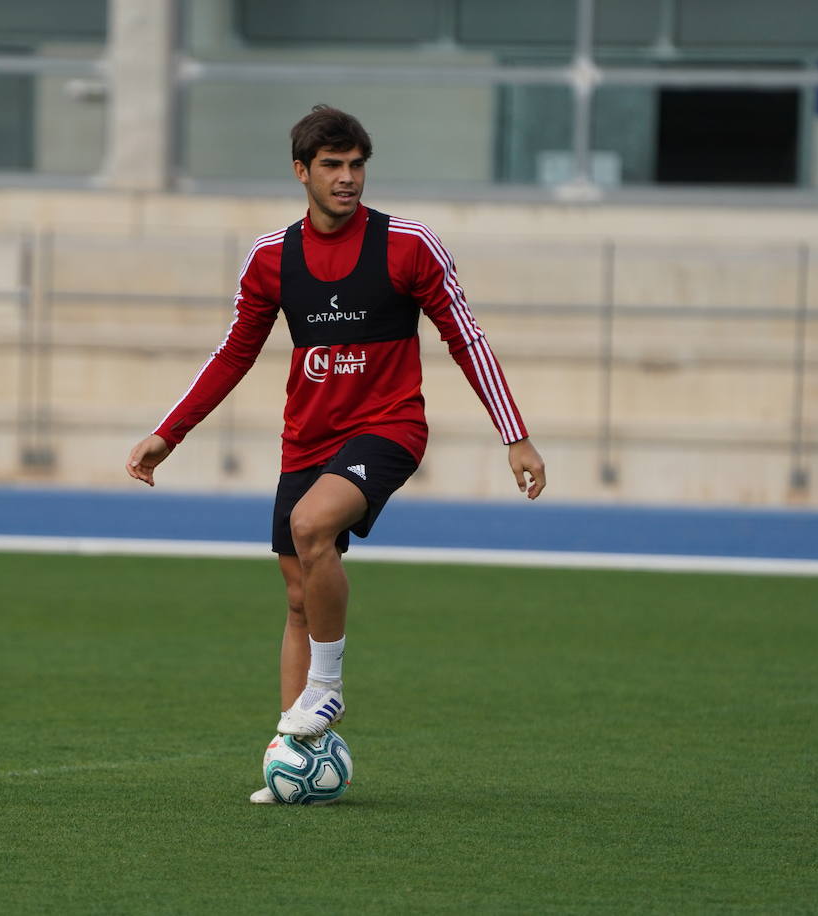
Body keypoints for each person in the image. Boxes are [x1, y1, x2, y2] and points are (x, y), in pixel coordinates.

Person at [125, 105, 546, 804]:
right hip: (307, 438)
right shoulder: (270, 257)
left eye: (356, 166)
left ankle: (326, 691)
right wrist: (170, 432)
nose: (347, 179)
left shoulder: (409, 246)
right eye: (332, 166)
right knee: (297, 599)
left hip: (389, 427)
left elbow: (466, 339)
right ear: (302, 173)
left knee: (313, 526)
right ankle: (293, 763)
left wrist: (515, 435)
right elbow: (235, 351)